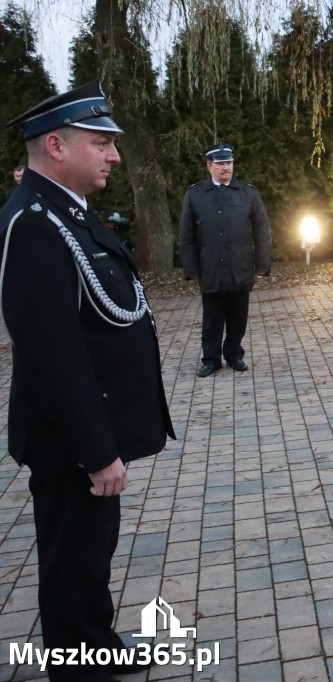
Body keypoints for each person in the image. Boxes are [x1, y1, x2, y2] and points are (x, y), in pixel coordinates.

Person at [1, 81, 174, 681]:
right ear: (55, 145)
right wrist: (97, 453)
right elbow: (52, 354)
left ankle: (94, 640)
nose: (114, 155)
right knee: (72, 558)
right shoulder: (34, 224)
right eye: (101, 142)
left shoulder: (62, 211)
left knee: (90, 552)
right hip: (72, 442)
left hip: (89, 431)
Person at [179, 142, 272, 377]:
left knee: (238, 317)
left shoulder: (247, 193)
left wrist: (262, 265)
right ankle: (211, 359)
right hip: (210, 267)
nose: (226, 168)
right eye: (220, 164)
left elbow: (262, 230)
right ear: (209, 166)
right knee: (212, 319)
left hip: (240, 266)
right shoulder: (195, 195)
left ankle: (234, 355)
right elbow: (186, 234)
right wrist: (191, 269)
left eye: (229, 163)